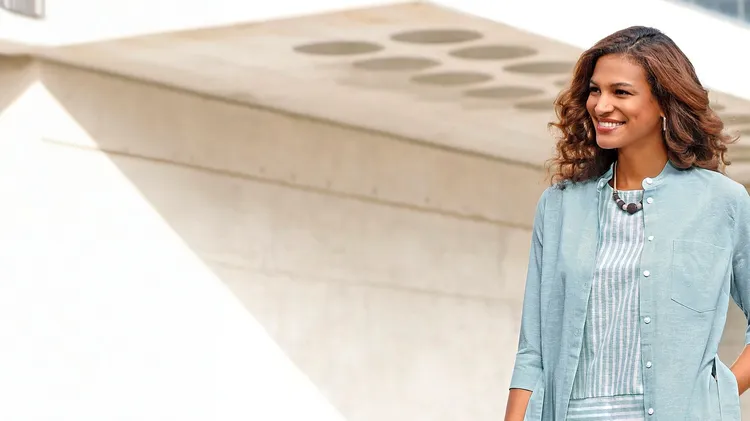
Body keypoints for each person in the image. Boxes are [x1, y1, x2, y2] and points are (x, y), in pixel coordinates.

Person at [504, 26, 750, 421]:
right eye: (595, 90)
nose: (601, 105)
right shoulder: (560, 206)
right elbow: (533, 349)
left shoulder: (722, 202)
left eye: (621, 92)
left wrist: (716, 395)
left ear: (664, 102)